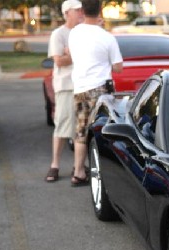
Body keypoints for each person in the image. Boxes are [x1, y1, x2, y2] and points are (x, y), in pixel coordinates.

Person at [68, 0, 122, 186]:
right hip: (101, 90)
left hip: (81, 88)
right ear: (100, 10)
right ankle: (107, 173)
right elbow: (118, 67)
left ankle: (78, 172)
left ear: (82, 10)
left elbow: (71, 52)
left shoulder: (74, 33)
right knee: (105, 131)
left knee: (81, 131)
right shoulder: (107, 37)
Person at [44, 0, 83, 182]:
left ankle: (78, 167)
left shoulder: (83, 32)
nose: (80, 12)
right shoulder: (58, 34)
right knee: (62, 125)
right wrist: (76, 54)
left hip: (83, 85)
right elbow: (59, 61)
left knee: (80, 128)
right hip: (66, 86)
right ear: (67, 13)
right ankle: (55, 165)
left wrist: (71, 53)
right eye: (76, 10)